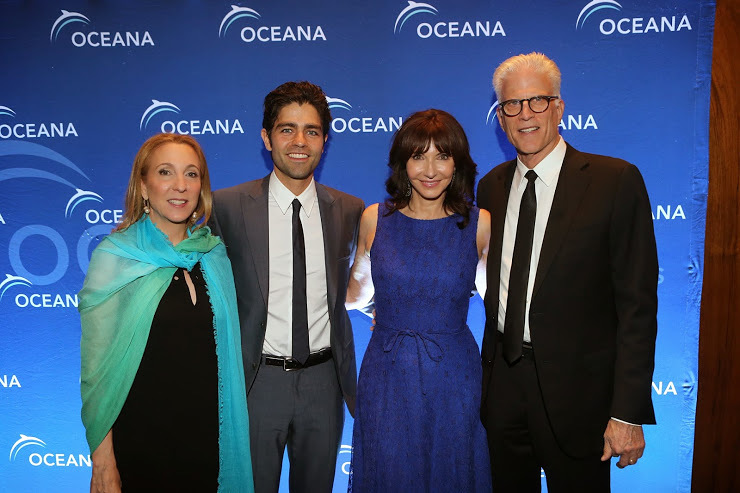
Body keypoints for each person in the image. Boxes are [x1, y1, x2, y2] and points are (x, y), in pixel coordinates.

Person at [476, 52, 658, 491]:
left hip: (581, 397)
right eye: (512, 105)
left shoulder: (615, 181)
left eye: (537, 101)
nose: (525, 115)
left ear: (558, 107)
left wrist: (627, 411)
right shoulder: (491, 187)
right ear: (500, 117)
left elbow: (637, 306)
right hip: (502, 383)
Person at [209, 81, 364, 493]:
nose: (299, 142)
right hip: (257, 382)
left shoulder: (349, 210)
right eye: (287, 129)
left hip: (324, 380)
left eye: (311, 131)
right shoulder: (225, 206)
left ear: (325, 141)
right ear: (266, 137)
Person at [79, 133, 253, 492]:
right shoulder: (116, 257)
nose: (180, 186)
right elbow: (97, 375)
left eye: (191, 174)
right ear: (143, 186)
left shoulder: (212, 254)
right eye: (165, 172)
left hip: (207, 449)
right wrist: (103, 461)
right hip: (140, 450)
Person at [345, 109, 492, 492]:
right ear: (402, 162)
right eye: (418, 156)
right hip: (387, 374)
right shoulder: (375, 219)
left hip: (454, 375)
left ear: (457, 163)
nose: (430, 169)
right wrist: (384, 311)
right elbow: (354, 294)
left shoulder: (480, 224)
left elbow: (502, 304)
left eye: (442, 156)